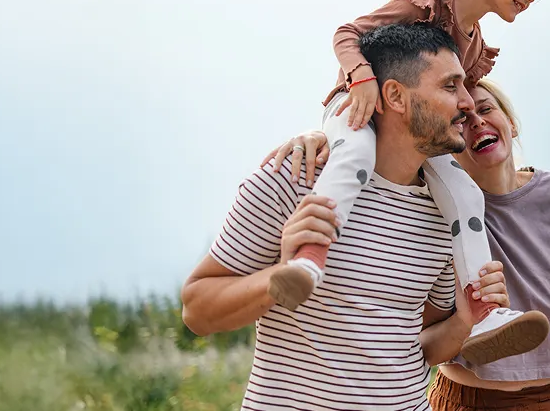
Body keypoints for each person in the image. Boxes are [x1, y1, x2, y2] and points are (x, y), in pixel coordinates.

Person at [265, 0, 550, 364]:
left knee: (464, 193)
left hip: (411, 133)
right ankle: (308, 258)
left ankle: (485, 310)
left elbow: (458, 102)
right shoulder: (426, 3)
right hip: (359, 107)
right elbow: (347, 34)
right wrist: (361, 79)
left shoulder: (473, 44)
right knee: (354, 158)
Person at [182, 23, 507, 411]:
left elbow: (419, 344)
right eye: (450, 86)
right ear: (395, 96)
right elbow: (197, 310)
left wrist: (464, 321)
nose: (468, 102)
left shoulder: (447, 210)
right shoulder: (296, 179)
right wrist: (279, 275)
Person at [269, 79, 550, 411]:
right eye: (461, 119)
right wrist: (322, 136)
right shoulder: (436, 213)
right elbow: (422, 333)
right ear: (447, 145)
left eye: (486, 110)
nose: (476, 122)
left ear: (512, 123)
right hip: (471, 400)